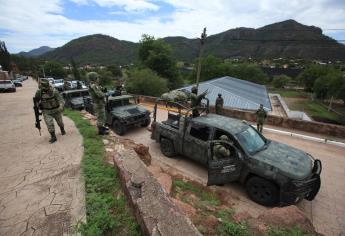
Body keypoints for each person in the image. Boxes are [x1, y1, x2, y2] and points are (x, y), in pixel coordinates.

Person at [34, 79, 65, 143]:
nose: (45, 89)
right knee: (49, 123)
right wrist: (37, 107)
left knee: (60, 122)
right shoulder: (39, 92)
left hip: (56, 110)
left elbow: (61, 100)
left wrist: (61, 107)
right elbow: (36, 100)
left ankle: (62, 129)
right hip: (46, 111)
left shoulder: (54, 91)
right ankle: (53, 136)